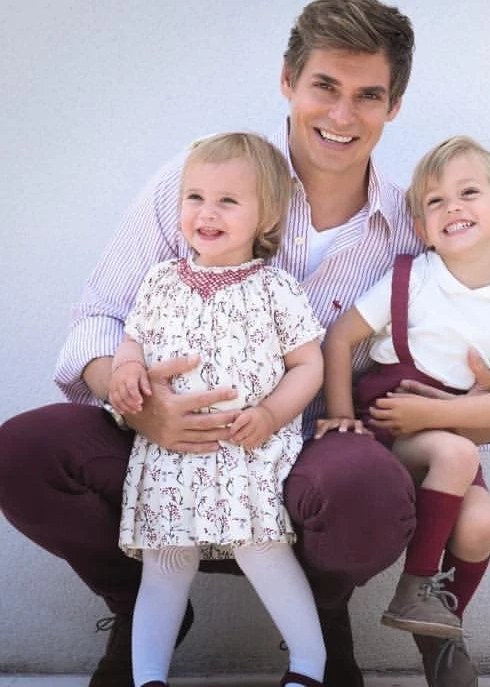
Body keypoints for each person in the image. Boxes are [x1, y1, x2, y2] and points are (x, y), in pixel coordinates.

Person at [0, 0, 490, 687]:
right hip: (164, 444)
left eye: (367, 95)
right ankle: (142, 607)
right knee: (22, 451)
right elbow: (100, 315)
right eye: (324, 86)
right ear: (288, 80)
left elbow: (449, 345)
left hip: (310, 458)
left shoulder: (411, 227)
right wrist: (134, 397)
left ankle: (322, 620)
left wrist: (472, 393)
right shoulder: (199, 182)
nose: (342, 115)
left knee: (367, 488)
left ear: (393, 106)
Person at [316, 136, 490, 684]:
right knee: (459, 453)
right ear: (420, 226)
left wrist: (439, 415)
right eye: (435, 201)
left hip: (441, 436)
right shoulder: (412, 278)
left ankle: (439, 630)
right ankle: (414, 588)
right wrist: (340, 415)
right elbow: (340, 337)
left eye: (468, 193)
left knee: (481, 523)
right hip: (387, 428)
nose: (452, 207)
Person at [109, 132, 327, 687]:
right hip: (171, 452)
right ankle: (148, 677)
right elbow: (134, 340)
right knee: (166, 561)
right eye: (195, 197)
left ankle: (308, 666)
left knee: (262, 550)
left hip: (245, 448)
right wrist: (127, 369)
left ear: (266, 215)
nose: (207, 213)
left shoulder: (276, 288)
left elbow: (309, 365)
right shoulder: (160, 280)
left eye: (228, 201)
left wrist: (272, 415)